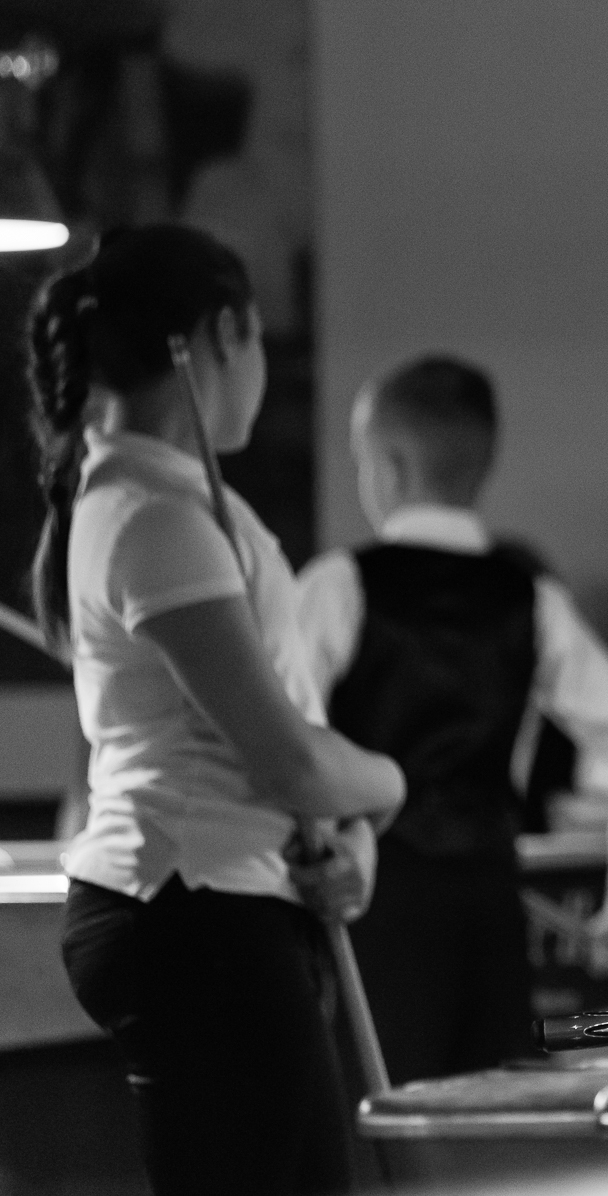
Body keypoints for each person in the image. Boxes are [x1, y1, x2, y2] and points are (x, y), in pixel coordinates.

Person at [34, 224, 406, 1196]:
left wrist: (351, 840)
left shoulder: (164, 502)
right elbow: (289, 761)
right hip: (193, 916)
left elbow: (283, 735)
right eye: (256, 340)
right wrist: (387, 785)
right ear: (217, 336)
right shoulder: (154, 517)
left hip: (221, 906)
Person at [287, 355, 608, 1085]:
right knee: (485, 1117)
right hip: (489, 912)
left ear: (389, 466)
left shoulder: (336, 587)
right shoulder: (532, 599)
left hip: (372, 911)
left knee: (376, 1118)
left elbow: (288, 741)